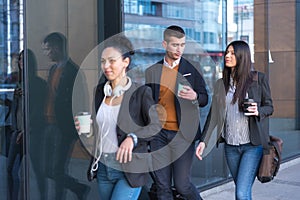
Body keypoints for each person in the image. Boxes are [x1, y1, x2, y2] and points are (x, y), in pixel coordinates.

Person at [75, 35, 161, 200]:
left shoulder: (141, 93)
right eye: (103, 61)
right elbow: (98, 130)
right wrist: (87, 132)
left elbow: (155, 126)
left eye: (112, 61)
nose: (106, 66)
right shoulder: (100, 92)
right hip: (103, 166)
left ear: (125, 62)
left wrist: (133, 138)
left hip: (129, 168)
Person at [196, 40, 274, 200]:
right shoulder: (221, 84)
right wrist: (203, 141)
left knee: (241, 193)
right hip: (231, 147)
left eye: (232, 53)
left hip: (252, 146)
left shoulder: (258, 79)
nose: (228, 56)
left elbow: (270, 107)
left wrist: (258, 110)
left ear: (242, 56)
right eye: (227, 53)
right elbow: (214, 116)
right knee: (242, 192)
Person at [145, 25, 208, 200]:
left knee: (182, 185)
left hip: (183, 135)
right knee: (162, 186)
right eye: (174, 45)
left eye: (182, 45)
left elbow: (205, 99)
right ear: (164, 44)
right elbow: (147, 102)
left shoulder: (193, 68)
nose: (179, 49)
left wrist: (195, 96)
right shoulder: (152, 71)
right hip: (158, 135)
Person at [41, 32, 89, 199]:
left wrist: (83, 131)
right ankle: (78, 188)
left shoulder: (73, 71)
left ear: (56, 48)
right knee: (47, 168)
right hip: (49, 124)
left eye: (47, 49)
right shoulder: (53, 69)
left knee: (58, 169)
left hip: (64, 127)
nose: (46, 53)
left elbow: (82, 101)